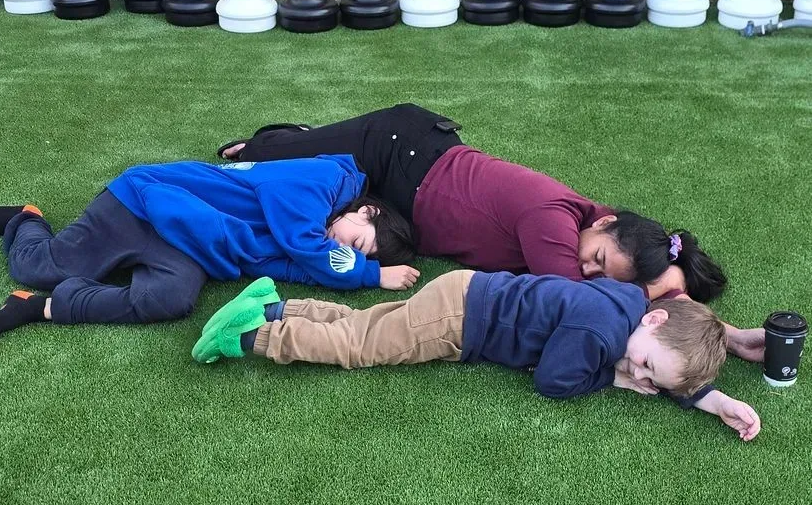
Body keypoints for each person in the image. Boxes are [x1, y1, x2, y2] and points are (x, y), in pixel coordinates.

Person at [216, 105, 764, 363]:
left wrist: (721, 331)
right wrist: (710, 335)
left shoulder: (597, 227)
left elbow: (629, 290)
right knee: (261, 156)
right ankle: (285, 136)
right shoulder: (553, 222)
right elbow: (595, 305)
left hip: (403, 199)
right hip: (400, 148)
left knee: (338, 197)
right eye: (594, 258)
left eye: (599, 270)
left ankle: (304, 141)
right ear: (603, 223)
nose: (588, 271)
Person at [190, 269, 761, 441]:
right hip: (460, 321)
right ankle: (249, 338)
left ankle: (273, 305)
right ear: (655, 320)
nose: (640, 374)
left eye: (649, 379)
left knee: (371, 322)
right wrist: (610, 379)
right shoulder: (603, 339)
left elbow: (665, 364)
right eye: (646, 365)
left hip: (465, 291)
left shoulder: (630, 303)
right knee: (362, 347)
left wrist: (710, 400)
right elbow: (555, 381)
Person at [0, 155, 418, 342]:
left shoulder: (314, 235)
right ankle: (25, 219)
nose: (346, 249)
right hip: (143, 204)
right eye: (357, 243)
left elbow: (296, 264)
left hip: (189, 248)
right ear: (366, 212)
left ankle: (40, 309)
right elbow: (305, 246)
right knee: (39, 265)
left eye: (357, 255)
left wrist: (354, 269)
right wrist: (370, 276)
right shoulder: (321, 184)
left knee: (168, 300)